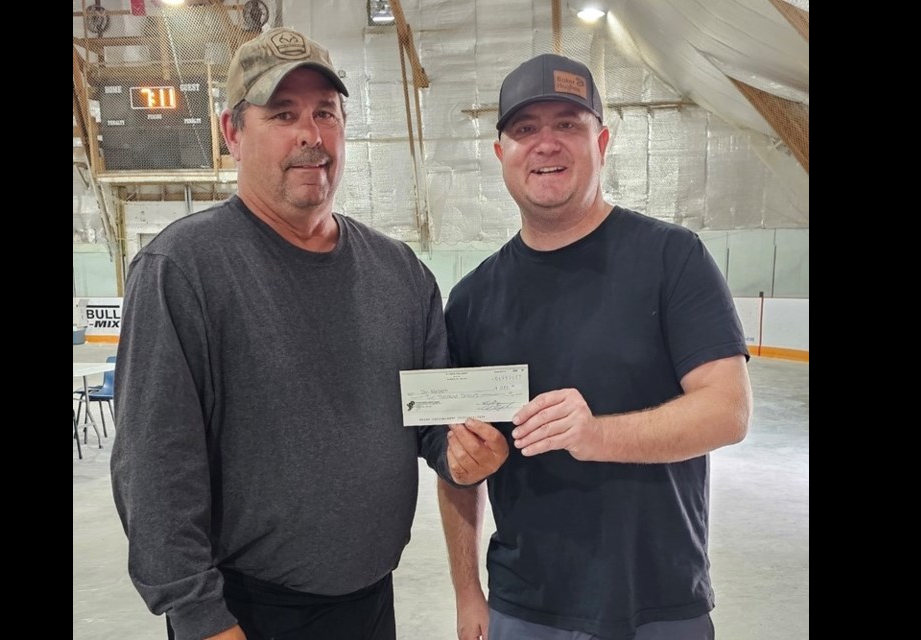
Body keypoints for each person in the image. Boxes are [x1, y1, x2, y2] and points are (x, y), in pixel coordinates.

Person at [110, 27, 508, 640]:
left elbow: (433, 422)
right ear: (232, 134)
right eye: (283, 113)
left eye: (326, 112)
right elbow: (155, 470)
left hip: (371, 602)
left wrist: (466, 452)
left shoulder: (399, 272)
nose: (310, 134)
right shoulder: (182, 270)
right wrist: (200, 617)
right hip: (244, 613)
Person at [437, 53, 753, 640]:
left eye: (568, 125)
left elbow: (727, 409)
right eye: (525, 129)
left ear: (601, 141)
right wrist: (466, 593)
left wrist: (594, 435)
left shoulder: (672, 259)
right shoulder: (472, 299)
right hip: (523, 605)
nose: (546, 144)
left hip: (660, 602)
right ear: (500, 151)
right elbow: (458, 460)